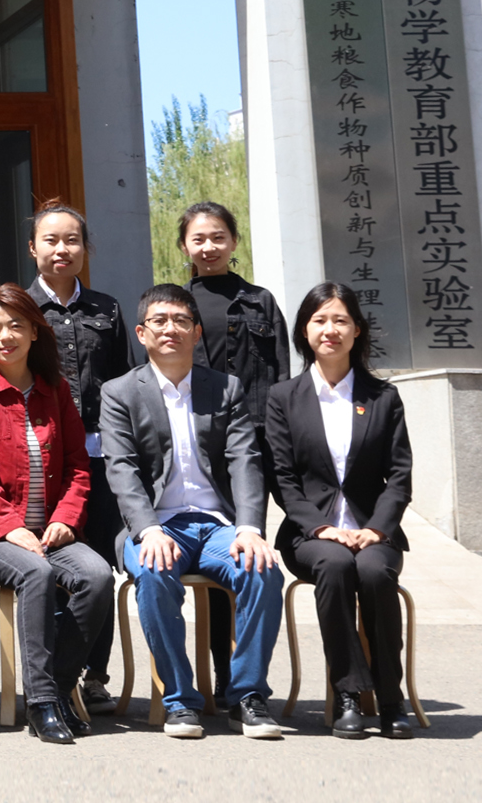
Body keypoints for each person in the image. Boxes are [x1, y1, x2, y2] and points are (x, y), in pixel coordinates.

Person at [98, 283, 283, 741]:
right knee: (153, 572)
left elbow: (245, 460)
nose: (171, 329)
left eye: (181, 321)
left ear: (197, 332)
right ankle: (180, 700)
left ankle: (247, 696)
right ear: (141, 332)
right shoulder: (120, 392)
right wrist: (147, 530)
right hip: (157, 526)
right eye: (159, 321)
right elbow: (121, 468)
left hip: (216, 524)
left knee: (262, 569)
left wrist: (250, 527)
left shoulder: (225, 387)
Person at [0, 284, 113, 745]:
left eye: (16, 326)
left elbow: (78, 464)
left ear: (35, 332)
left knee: (97, 576)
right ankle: (41, 705)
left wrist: (66, 518)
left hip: (48, 530)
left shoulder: (55, 389)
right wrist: (10, 527)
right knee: (36, 573)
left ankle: (56, 686)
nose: (6, 337)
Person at [264, 282, 414, 739]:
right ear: (304, 331)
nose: (330, 330)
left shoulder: (383, 396)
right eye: (320, 320)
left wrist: (377, 530)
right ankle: (347, 693)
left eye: (340, 320)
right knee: (333, 563)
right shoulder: (283, 397)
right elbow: (282, 478)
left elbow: (400, 475)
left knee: (372, 571)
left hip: (372, 533)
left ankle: (390, 698)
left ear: (357, 330)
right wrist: (321, 527)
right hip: (309, 536)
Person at [177, 199, 292, 708]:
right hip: (197, 446)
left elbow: (280, 376)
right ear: (185, 246)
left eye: (218, 237)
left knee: (244, 556)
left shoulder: (260, 301)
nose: (209, 247)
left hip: (251, 446)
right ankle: (217, 669)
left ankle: (238, 678)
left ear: (234, 242)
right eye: (198, 238)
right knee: (207, 564)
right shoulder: (175, 304)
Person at [26, 201, 136, 711]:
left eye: (71, 240)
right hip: (43, 457)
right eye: (50, 240)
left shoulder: (106, 309)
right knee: (52, 561)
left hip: (103, 455)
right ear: (33, 248)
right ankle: (52, 672)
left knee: (100, 563)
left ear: (85, 249)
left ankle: (94, 675)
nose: (61, 249)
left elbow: (126, 382)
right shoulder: (21, 310)